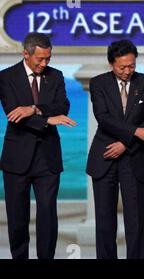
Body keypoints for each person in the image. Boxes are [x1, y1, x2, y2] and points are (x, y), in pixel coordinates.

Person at [0, 32, 76, 259]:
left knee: (47, 216)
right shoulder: (6, 77)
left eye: (48, 59)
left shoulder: (56, 76)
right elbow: (14, 114)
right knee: (17, 218)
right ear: (25, 53)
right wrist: (47, 119)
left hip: (48, 158)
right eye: (40, 60)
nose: (44, 64)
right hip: (16, 159)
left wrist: (34, 109)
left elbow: (63, 105)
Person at [86, 39, 144, 259]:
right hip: (105, 157)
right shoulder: (98, 83)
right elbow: (104, 118)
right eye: (122, 67)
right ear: (111, 64)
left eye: (132, 65)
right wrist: (134, 133)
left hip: (135, 158)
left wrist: (125, 143)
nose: (128, 70)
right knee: (105, 222)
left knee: (136, 222)